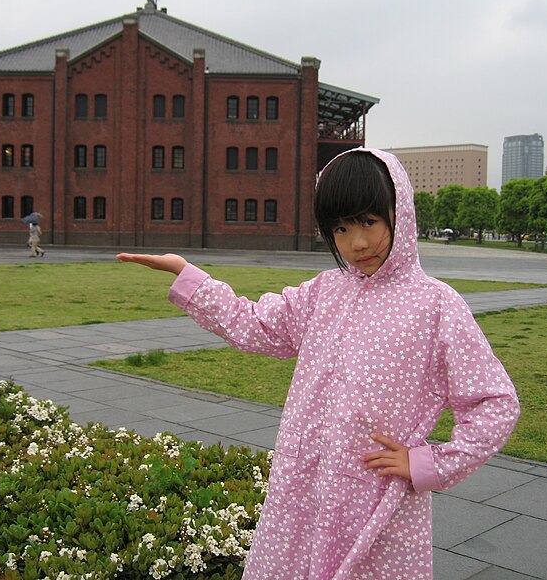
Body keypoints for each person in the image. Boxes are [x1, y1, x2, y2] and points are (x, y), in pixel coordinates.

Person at [117, 148, 520, 578]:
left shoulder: (436, 305)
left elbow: (494, 402)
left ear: (398, 210)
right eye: (340, 228)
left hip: (376, 501)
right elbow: (255, 324)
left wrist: (430, 464)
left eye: (369, 221)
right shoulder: (324, 293)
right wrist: (189, 276)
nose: (356, 243)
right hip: (303, 489)